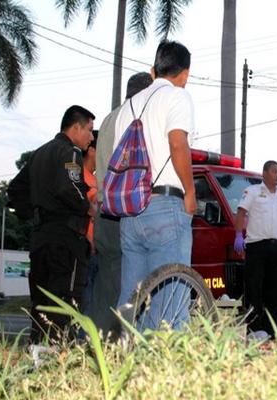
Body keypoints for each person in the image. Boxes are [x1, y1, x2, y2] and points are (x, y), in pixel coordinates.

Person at [114, 41, 196, 330]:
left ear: (153, 71)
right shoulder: (177, 97)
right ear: (185, 74)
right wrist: (190, 192)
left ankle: (125, 361)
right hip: (164, 204)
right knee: (170, 297)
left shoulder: (128, 106)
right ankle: (168, 369)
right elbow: (178, 143)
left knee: (132, 298)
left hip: (130, 211)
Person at [89, 72, 153, 335]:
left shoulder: (108, 120)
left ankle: (97, 343)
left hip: (104, 214)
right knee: (131, 285)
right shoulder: (137, 119)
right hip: (125, 211)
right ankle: (123, 344)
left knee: (106, 285)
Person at [28, 105, 96, 342]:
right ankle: (60, 360)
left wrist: (37, 211)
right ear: (76, 127)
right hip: (65, 241)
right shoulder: (71, 153)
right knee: (65, 303)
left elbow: (17, 189)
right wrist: (89, 207)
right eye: (89, 130)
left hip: (39, 237)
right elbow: (70, 186)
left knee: (40, 304)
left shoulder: (39, 153)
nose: (91, 137)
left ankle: (37, 354)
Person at [234, 160, 277, 337]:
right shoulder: (253, 191)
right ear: (264, 173)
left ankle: (271, 331)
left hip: (276, 247)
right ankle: (254, 329)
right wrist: (238, 235)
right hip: (256, 246)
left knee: (275, 290)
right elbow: (241, 212)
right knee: (254, 288)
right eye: (273, 171)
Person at [82, 130, 98, 315]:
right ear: (92, 150)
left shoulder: (95, 179)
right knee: (85, 302)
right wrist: (89, 239)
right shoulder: (79, 175)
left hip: (97, 250)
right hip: (87, 249)